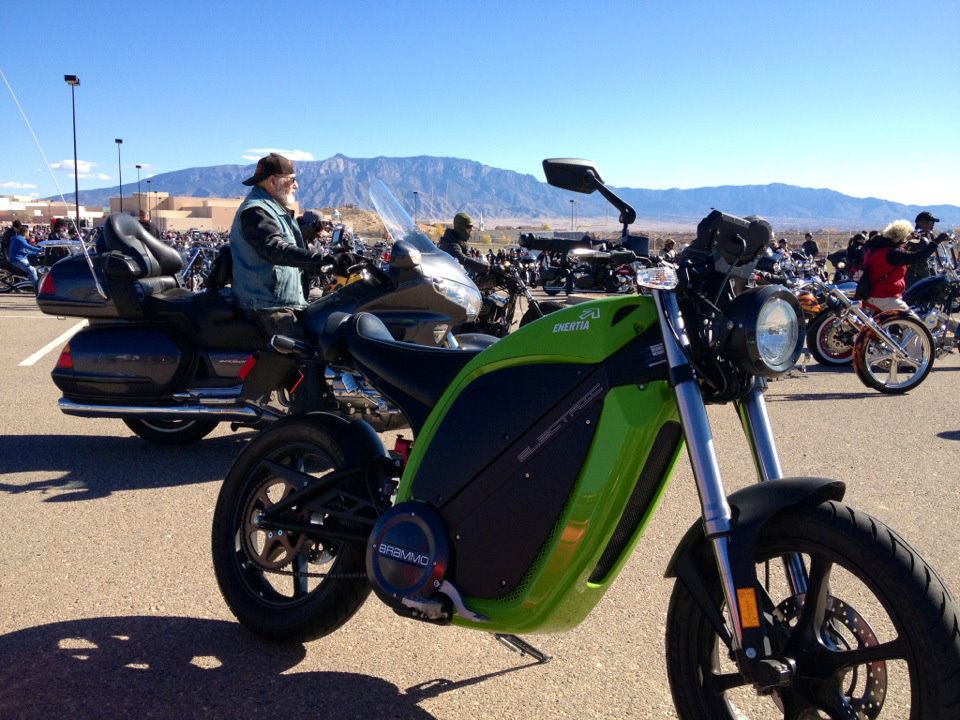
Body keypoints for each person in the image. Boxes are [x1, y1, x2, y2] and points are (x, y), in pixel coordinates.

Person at [228, 152, 330, 340]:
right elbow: (274, 248)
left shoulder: (273, 209)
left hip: (279, 300)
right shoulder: (257, 211)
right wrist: (321, 260)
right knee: (303, 351)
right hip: (266, 305)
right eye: (292, 180)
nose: (296, 186)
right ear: (273, 181)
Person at [861, 218, 947, 311]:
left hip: (872, 295)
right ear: (902, 237)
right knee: (912, 319)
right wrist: (936, 241)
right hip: (885, 297)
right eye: (907, 236)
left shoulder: (877, 248)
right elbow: (918, 256)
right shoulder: (893, 253)